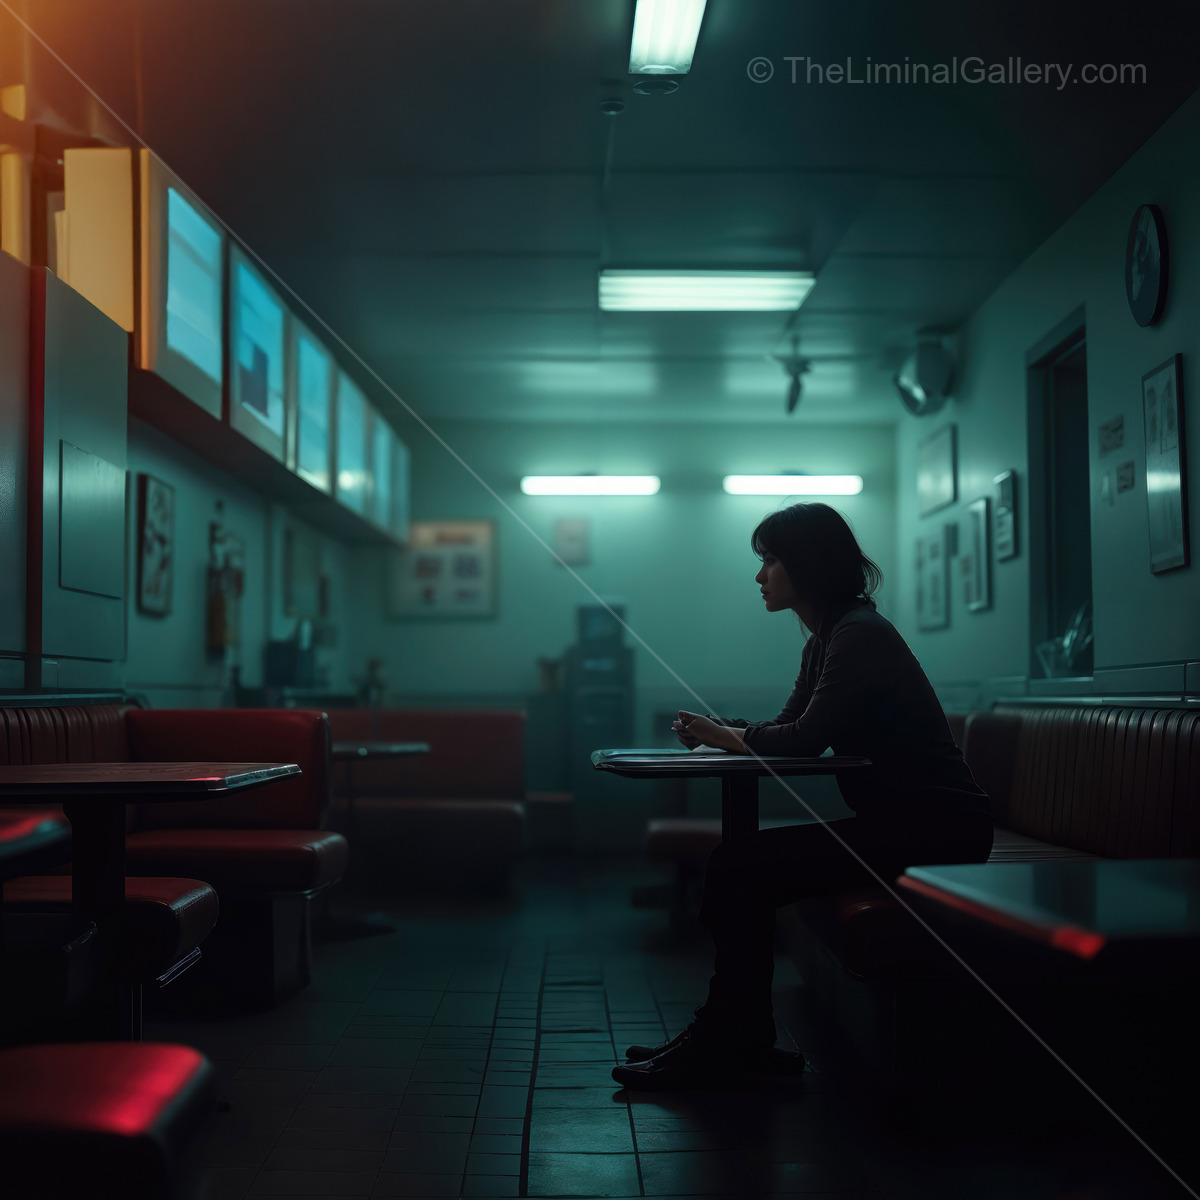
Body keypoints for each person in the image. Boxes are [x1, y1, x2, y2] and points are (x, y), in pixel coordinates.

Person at [611, 503, 992, 1090]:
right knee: (740, 866)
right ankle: (735, 1034)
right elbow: (791, 728)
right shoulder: (831, 637)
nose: (759, 575)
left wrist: (723, 736)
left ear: (807, 564)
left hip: (938, 829)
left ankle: (731, 1038)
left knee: (740, 868)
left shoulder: (858, 635)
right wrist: (721, 730)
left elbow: (803, 741)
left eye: (770, 560)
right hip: (907, 824)